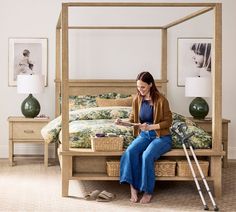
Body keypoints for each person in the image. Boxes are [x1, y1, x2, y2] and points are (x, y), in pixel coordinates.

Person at [115, 71, 172, 204]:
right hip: (144, 135)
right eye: (138, 87)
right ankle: (133, 187)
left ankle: (148, 191)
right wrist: (121, 122)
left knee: (147, 155)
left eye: (143, 87)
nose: (140, 90)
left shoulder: (161, 100)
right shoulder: (137, 99)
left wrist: (151, 127)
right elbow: (132, 120)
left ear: (150, 85)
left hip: (161, 137)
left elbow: (168, 122)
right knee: (130, 152)